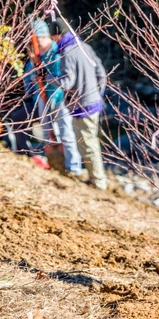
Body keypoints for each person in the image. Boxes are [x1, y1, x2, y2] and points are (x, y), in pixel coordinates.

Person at [48, 16, 109, 190]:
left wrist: (50, 78)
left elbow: (67, 82)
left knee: (87, 144)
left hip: (82, 105)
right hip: (93, 102)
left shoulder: (67, 53)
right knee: (90, 142)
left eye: (53, 37)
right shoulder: (85, 47)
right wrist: (99, 93)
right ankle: (96, 178)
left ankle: (98, 182)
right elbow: (101, 72)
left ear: (57, 35)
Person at [24, 19, 82, 175]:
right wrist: (32, 81)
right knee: (46, 132)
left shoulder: (57, 52)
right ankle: (53, 162)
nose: (39, 42)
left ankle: (74, 167)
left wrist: (45, 76)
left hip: (58, 98)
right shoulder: (34, 54)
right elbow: (28, 74)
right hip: (41, 98)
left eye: (41, 38)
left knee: (66, 133)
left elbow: (61, 77)